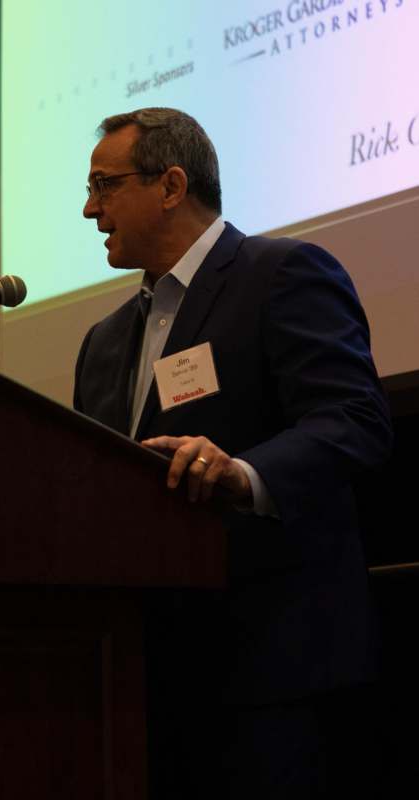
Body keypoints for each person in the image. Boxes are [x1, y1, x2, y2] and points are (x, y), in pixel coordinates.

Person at [74, 108, 392, 797]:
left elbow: (354, 418)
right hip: (138, 674)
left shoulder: (281, 274)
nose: (89, 209)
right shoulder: (102, 340)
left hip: (270, 666)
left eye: (104, 186)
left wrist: (243, 473)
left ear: (170, 185)